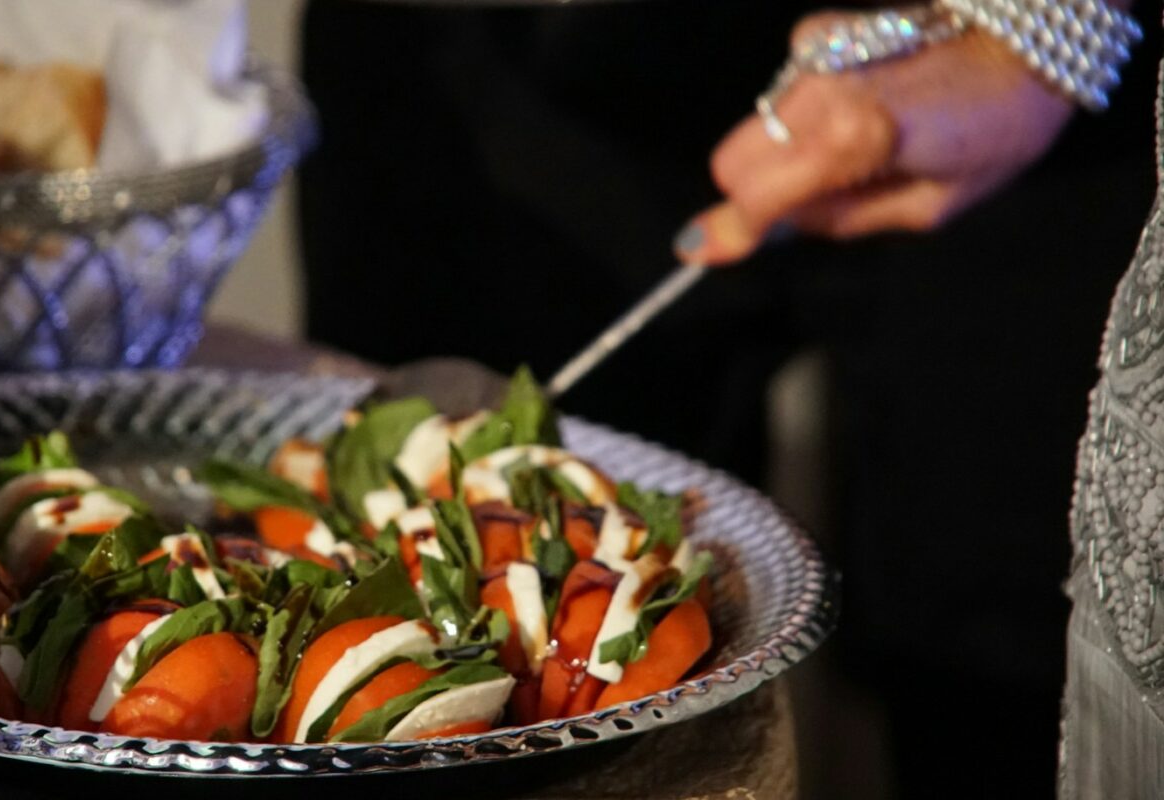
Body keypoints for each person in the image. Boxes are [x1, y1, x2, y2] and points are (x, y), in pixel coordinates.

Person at [297, 2, 1157, 796]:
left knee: (997, 668)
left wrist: (1050, 23)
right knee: (424, 681)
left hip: (1031, 121)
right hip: (490, 78)